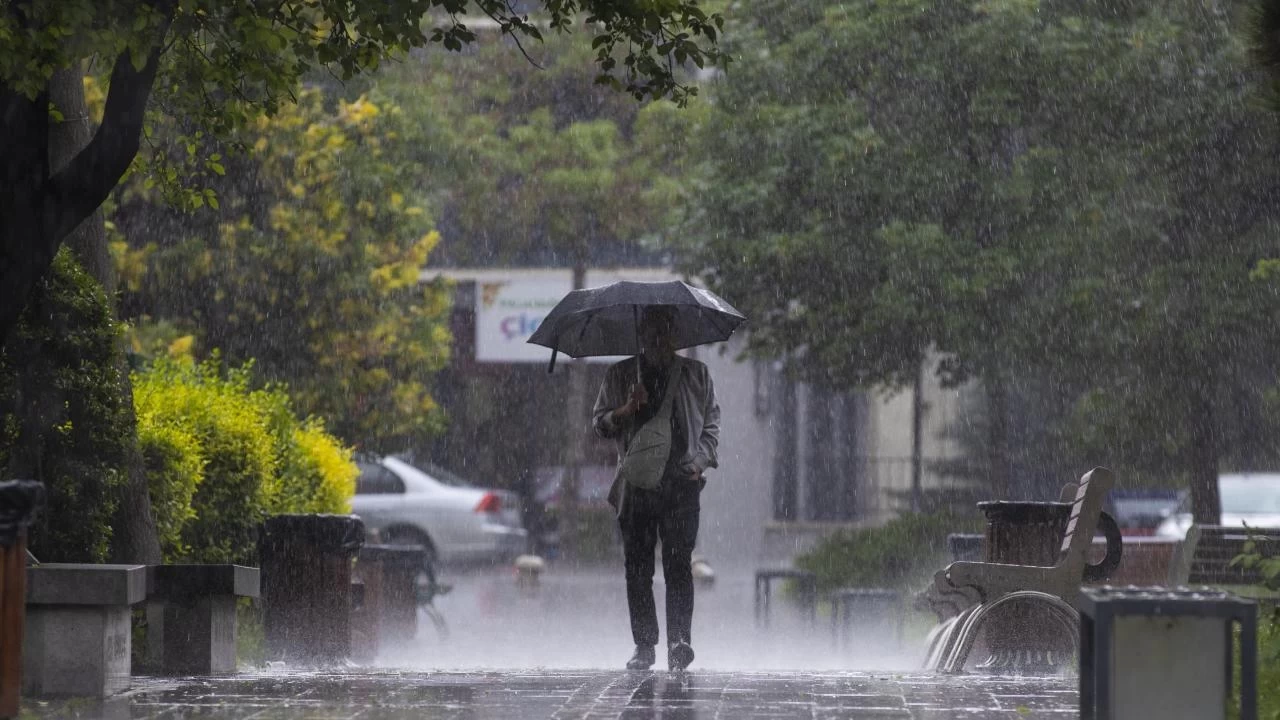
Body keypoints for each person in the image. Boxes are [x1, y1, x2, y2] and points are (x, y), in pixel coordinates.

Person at [592, 305, 721, 671]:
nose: (656, 338)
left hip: (682, 484)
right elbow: (599, 425)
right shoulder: (620, 375)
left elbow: (712, 423)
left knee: (679, 564)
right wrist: (626, 409)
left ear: (673, 334)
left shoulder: (696, 374)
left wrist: (699, 462)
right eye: (650, 331)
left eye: (663, 330)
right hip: (636, 487)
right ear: (641, 335)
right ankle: (645, 646)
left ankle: (680, 643)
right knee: (637, 567)